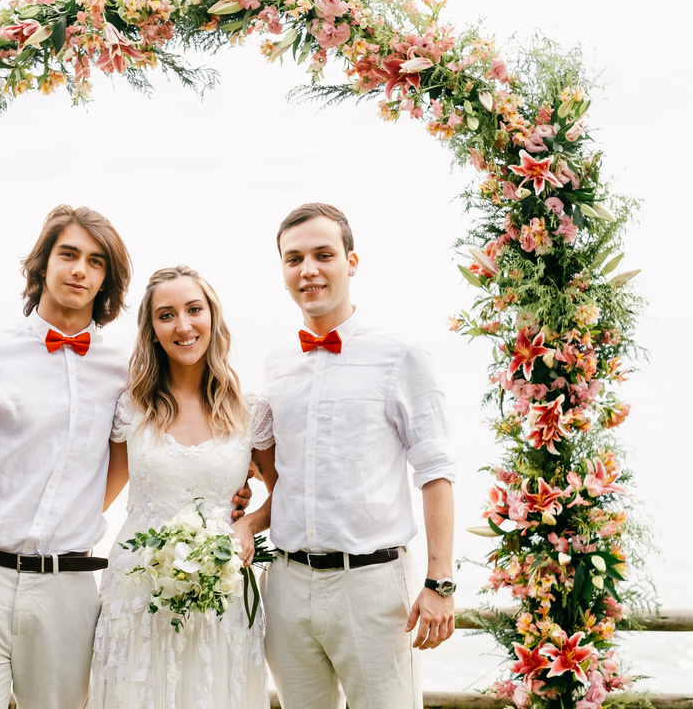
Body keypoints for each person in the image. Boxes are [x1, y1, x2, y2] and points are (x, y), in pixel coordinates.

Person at [0, 205, 134, 709]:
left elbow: (125, 459)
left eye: (96, 261)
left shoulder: (123, 371)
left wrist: (74, 510)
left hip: (69, 588)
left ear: (107, 280)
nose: (80, 269)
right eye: (68, 254)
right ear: (42, 264)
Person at [261, 203, 458, 709]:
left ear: (351, 261)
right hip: (285, 585)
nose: (309, 270)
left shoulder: (401, 355)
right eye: (294, 258)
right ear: (283, 270)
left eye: (323, 255)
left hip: (371, 588)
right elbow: (277, 472)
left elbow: (435, 471)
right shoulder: (277, 363)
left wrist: (440, 582)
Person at [90, 265, 278, 709]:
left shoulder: (250, 410)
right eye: (166, 315)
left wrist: (250, 523)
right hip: (137, 591)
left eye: (194, 310)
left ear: (212, 317)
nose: (183, 325)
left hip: (223, 592)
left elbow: (285, 490)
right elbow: (98, 496)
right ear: (152, 330)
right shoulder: (132, 408)